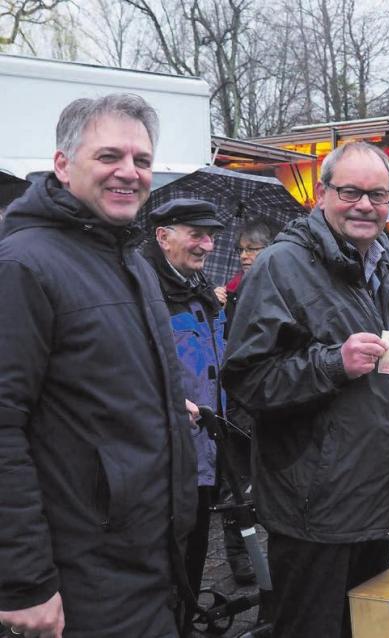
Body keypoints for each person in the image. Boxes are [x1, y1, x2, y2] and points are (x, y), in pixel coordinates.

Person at [0, 94, 197, 638]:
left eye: (142, 161)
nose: (129, 173)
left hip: (147, 561)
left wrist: (157, 401)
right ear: (62, 165)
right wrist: (24, 582)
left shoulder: (130, 261)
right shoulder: (24, 266)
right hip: (82, 575)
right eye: (109, 156)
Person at [222, 141, 389, 638]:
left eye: (378, 195)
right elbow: (247, 379)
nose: (365, 205)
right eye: (351, 192)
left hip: (377, 497)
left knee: (366, 628)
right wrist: (333, 364)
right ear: (321, 192)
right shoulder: (280, 266)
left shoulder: (386, 261)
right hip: (315, 507)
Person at [142, 198, 226, 630]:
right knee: (163, 563)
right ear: (163, 235)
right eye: (197, 234)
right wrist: (170, 405)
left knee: (193, 554)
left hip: (204, 453)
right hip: (164, 459)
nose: (207, 244)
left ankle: (186, 619)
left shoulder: (198, 286)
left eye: (211, 235)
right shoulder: (142, 290)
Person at [218, 217, 274, 586]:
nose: (244, 256)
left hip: (264, 401)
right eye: (240, 249)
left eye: (251, 248)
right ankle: (239, 556)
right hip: (234, 402)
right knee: (235, 485)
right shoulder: (231, 292)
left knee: (263, 483)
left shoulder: (273, 286)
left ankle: (263, 554)